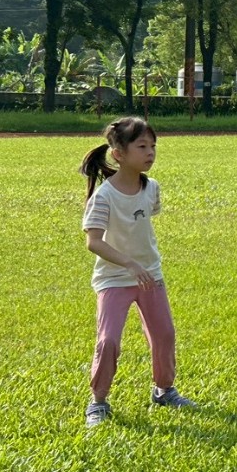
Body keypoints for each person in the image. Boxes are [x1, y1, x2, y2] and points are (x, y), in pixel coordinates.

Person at [80, 116, 194, 428]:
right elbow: (93, 242)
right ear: (118, 154)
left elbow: (145, 218)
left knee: (164, 335)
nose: (150, 152)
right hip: (114, 280)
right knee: (108, 341)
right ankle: (98, 402)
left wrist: (142, 265)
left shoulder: (151, 188)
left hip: (150, 276)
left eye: (153, 146)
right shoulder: (104, 196)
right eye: (142, 146)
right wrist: (129, 263)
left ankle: (164, 390)